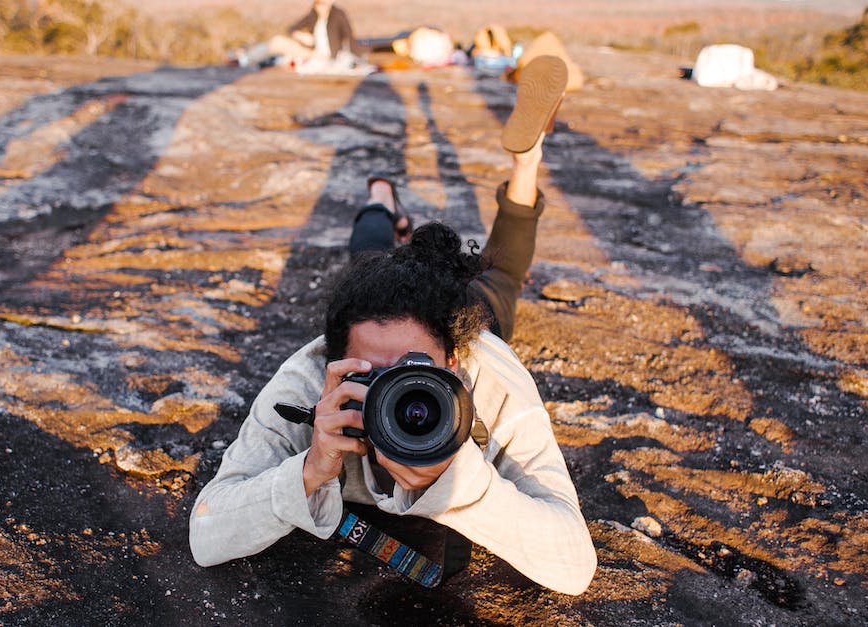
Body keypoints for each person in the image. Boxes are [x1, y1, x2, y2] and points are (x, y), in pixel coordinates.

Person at [189, 56, 597, 595]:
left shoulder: (494, 386)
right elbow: (206, 535)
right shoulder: (308, 384)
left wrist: (464, 482)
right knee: (367, 262)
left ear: (454, 363)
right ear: (334, 364)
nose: (393, 391)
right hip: (403, 311)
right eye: (370, 374)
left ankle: (526, 163)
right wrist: (309, 470)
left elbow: (574, 565)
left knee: (499, 276)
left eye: (414, 371)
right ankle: (381, 198)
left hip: (463, 315)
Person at [233, 0, 364, 69]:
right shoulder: (314, 15)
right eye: (318, 3)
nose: (320, 7)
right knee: (276, 42)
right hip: (311, 52)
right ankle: (245, 54)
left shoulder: (338, 15)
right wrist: (301, 36)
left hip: (326, 56)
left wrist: (360, 58)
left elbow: (350, 37)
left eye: (323, 3)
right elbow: (291, 28)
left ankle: (245, 58)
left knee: (277, 43)